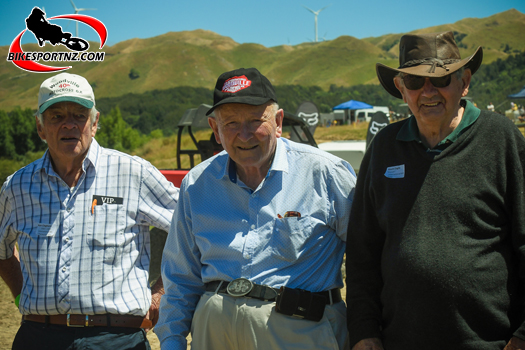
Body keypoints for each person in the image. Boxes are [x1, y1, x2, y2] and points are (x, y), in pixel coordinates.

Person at [346, 31, 525, 350]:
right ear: (402, 89)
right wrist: (363, 329)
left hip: (492, 343)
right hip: (400, 341)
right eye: (414, 82)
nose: (427, 91)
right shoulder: (384, 147)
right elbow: (363, 251)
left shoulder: (502, 139)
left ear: (464, 81)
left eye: (441, 80)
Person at [156, 67, 356, 350]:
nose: (245, 134)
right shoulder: (197, 184)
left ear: (278, 122)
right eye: (231, 123)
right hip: (215, 336)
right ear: (215, 130)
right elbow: (180, 276)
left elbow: (368, 258)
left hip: (300, 333)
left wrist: (367, 332)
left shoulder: (325, 173)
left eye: (254, 120)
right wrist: (172, 341)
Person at [0, 72, 179, 350]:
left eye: (79, 115)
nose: (69, 125)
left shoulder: (134, 173)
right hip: (37, 337)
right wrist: (20, 294)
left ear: (94, 123)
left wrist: (160, 293)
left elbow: (191, 230)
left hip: (117, 340)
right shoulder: (17, 186)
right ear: (40, 127)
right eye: (56, 116)